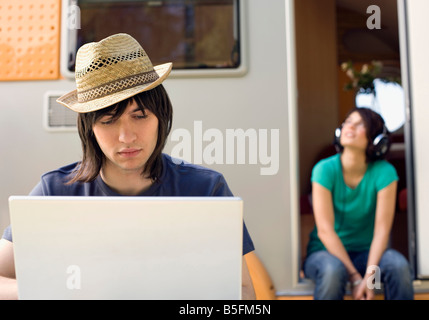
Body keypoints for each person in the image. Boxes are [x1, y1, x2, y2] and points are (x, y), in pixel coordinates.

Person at [0, 33, 256, 300]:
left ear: (161, 116)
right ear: (90, 129)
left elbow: (245, 293)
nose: (127, 137)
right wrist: (55, 289)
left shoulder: (205, 189)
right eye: (109, 120)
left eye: (140, 115)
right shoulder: (54, 191)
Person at [303, 107, 414, 300]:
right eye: (347, 121)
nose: (350, 126)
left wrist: (369, 279)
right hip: (323, 253)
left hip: (366, 254)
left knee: (398, 266)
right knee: (333, 271)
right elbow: (325, 231)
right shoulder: (324, 169)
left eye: (359, 124)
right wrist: (355, 278)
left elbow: (381, 232)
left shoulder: (385, 173)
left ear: (376, 140)